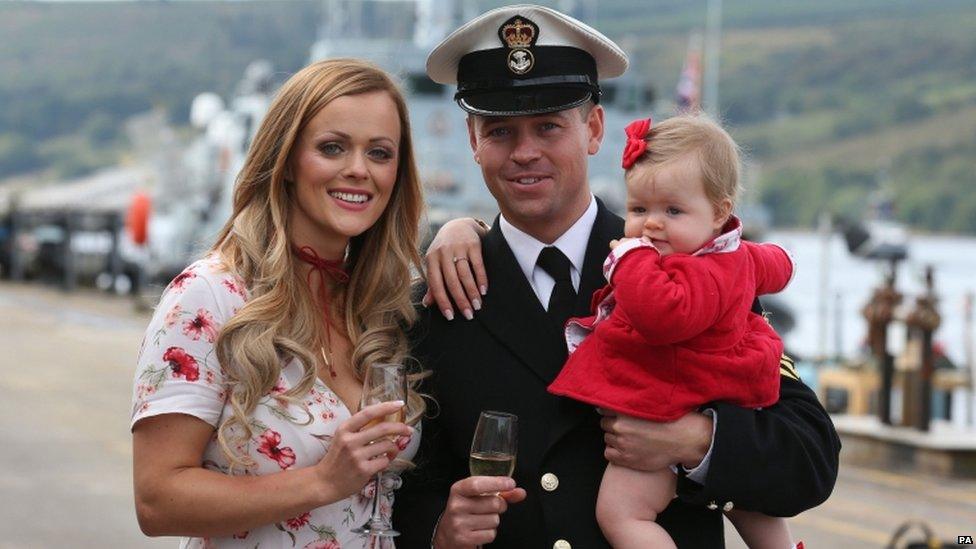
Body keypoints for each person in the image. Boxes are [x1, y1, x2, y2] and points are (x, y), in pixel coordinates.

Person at [395, 4, 840, 549]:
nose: (525, 151)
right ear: (473, 141)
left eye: (549, 126)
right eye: (500, 131)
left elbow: (811, 458)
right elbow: (404, 485)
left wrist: (697, 442)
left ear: (594, 129)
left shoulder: (692, 267)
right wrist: (439, 528)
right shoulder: (439, 301)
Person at [131, 58, 427, 548]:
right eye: (332, 148)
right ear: (287, 160)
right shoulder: (210, 296)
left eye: (379, 153)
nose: (358, 170)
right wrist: (321, 482)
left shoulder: (380, 306)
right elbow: (157, 500)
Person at [547, 114, 796, 549]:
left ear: (720, 213)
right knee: (752, 505)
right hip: (729, 389)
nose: (651, 225)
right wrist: (777, 259)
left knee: (621, 513)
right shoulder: (736, 256)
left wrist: (630, 260)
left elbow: (664, 314)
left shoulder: (664, 266)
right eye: (639, 209)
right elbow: (775, 265)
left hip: (667, 397)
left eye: (673, 211)